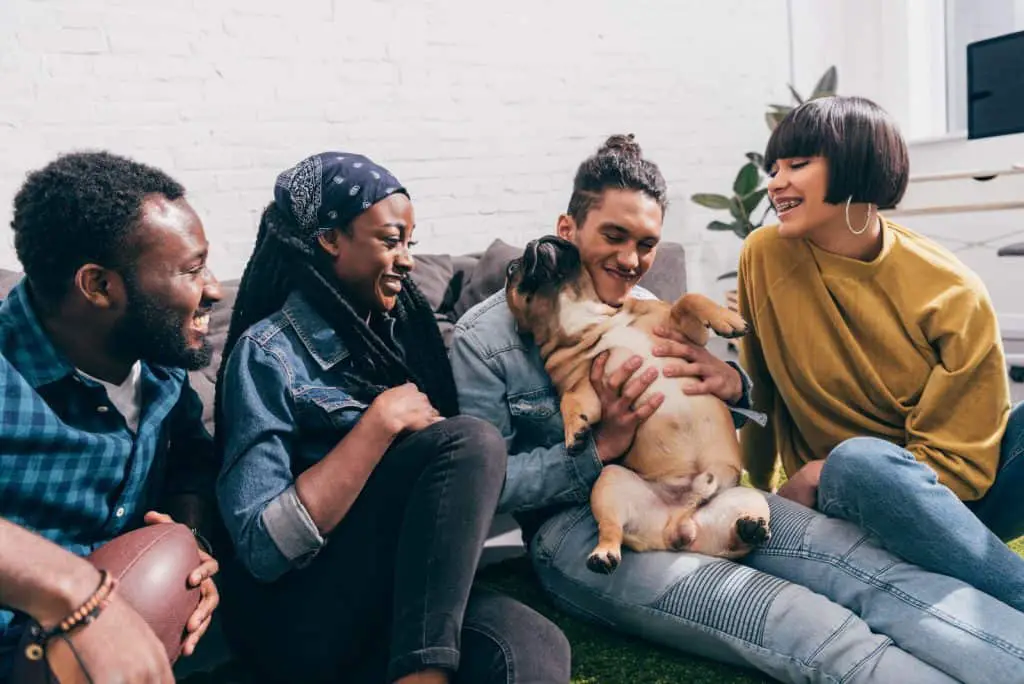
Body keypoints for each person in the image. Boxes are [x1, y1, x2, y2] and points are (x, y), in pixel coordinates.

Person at [451, 134, 1024, 683]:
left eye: (646, 244)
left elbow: (714, 415)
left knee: (871, 571)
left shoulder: (649, 308)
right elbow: (483, 490)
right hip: (585, 531)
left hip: (715, 491)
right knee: (810, 624)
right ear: (568, 229)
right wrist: (602, 446)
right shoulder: (486, 338)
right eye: (614, 236)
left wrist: (731, 384)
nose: (631, 261)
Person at [214, 151, 571, 684]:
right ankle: (422, 674)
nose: (406, 260)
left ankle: (418, 660)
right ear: (330, 238)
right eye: (389, 240)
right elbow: (264, 551)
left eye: (411, 243)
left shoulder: (404, 338)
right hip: (300, 617)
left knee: (533, 650)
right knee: (470, 442)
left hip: (397, 599)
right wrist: (377, 424)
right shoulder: (267, 354)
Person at [738, 95, 1024, 611]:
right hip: (842, 507)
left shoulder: (953, 289)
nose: (776, 182)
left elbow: (964, 468)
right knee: (858, 462)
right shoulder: (763, 253)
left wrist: (819, 472)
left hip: (948, 500)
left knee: (859, 460)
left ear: (859, 165)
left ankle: (973, 569)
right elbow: (760, 384)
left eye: (798, 165)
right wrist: (753, 490)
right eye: (773, 167)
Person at [0, 152, 223, 680]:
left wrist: (187, 547)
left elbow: (191, 465)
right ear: (98, 286)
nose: (213, 288)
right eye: (191, 271)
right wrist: (75, 593)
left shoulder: (162, 365)